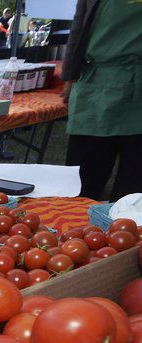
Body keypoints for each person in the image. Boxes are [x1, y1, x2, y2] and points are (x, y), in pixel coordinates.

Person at [62, 0, 142, 201]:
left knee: (133, 193)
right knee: (79, 185)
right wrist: (70, 76)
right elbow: (78, 28)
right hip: (96, 89)